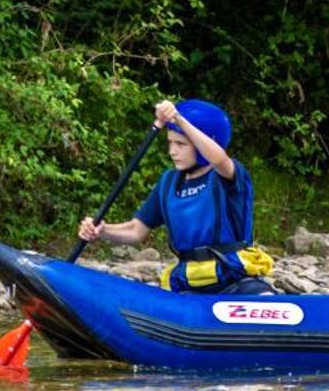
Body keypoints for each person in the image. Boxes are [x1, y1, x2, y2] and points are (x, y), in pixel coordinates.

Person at [77, 98, 275, 294]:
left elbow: (219, 158)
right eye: (170, 143)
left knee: (262, 295)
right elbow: (136, 230)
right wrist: (102, 231)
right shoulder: (169, 183)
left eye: (181, 144)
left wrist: (179, 119)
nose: (172, 151)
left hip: (232, 277)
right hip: (188, 282)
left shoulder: (229, 176)